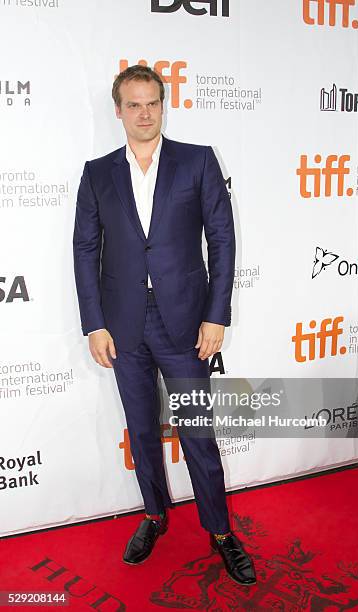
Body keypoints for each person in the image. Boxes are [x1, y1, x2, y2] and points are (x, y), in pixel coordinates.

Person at [73, 65, 256, 585]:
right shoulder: (97, 172)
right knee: (141, 429)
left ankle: (220, 532)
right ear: (118, 110)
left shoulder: (197, 162)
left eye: (152, 102)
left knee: (198, 432)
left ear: (163, 104)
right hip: (122, 327)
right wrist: (93, 323)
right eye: (133, 104)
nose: (144, 112)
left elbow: (221, 239)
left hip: (184, 322)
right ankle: (154, 515)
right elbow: (86, 250)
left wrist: (215, 313)